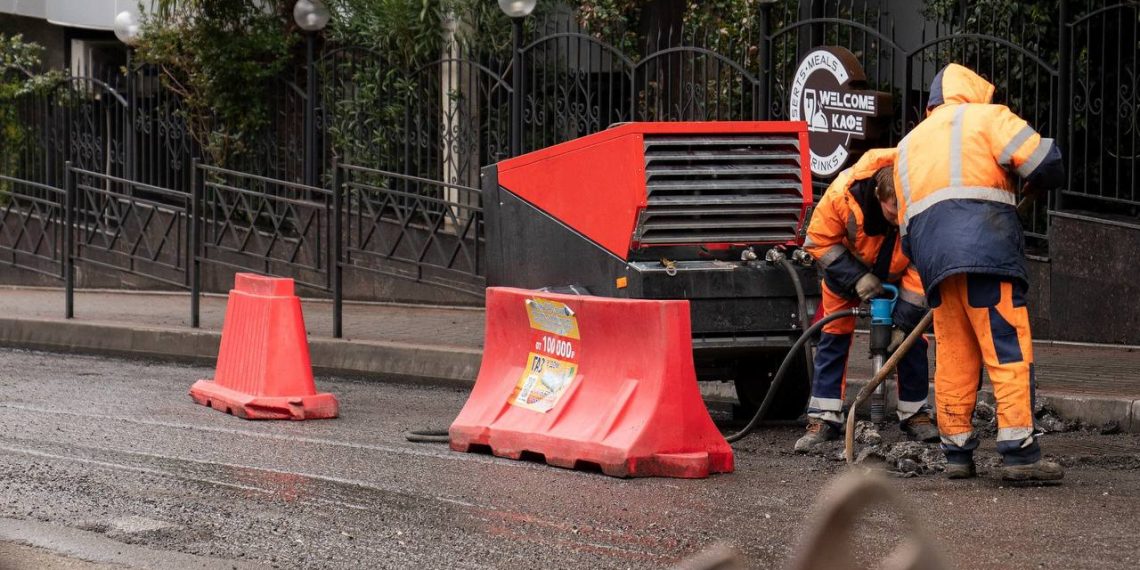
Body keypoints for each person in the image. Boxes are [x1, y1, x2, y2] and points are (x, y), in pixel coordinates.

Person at [893, 63, 1065, 481]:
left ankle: (956, 453)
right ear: (976, 92)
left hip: (935, 264)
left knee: (954, 354)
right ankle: (1020, 453)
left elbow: (905, 231)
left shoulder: (907, 146)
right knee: (1006, 346)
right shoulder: (988, 117)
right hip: (986, 254)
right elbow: (1046, 161)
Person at [795, 148, 938, 453]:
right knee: (833, 337)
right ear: (878, 195)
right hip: (847, 272)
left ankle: (916, 415)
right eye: (891, 213)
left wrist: (903, 322)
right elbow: (818, 240)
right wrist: (856, 276)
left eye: (903, 216)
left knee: (911, 340)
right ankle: (823, 417)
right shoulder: (842, 196)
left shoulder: (923, 195)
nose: (898, 221)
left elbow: (925, 262)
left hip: (902, 277)